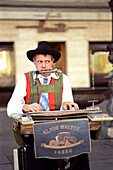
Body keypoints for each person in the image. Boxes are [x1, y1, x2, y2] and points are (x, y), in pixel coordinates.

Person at [7, 41, 90, 170]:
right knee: (37, 151)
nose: (44, 66)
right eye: (40, 62)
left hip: (58, 128)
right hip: (33, 129)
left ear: (52, 62)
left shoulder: (63, 79)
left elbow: (67, 104)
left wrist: (68, 104)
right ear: (34, 62)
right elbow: (11, 107)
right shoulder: (25, 79)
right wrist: (24, 107)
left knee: (80, 145)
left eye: (47, 62)